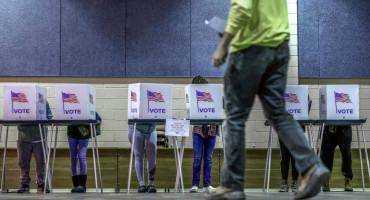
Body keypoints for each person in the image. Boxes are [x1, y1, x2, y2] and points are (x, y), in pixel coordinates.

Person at [208, 1, 330, 199]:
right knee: (278, 113)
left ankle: (232, 185)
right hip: (279, 47)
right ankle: (311, 166)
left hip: (250, 49)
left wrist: (223, 45)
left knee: (234, 117)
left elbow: (242, 8)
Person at [189, 75, 219, 193]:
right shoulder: (193, 97)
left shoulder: (212, 95)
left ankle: (207, 184)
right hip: (198, 130)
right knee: (197, 158)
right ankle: (195, 184)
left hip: (211, 129)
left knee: (208, 159)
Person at [17, 101, 52, 194]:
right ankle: (24, 185)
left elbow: (49, 116)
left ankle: (41, 185)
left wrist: (41, 122)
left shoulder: (43, 102)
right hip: (24, 137)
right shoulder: (21, 102)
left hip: (40, 137)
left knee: (41, 163)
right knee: (23, 162)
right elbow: (15, 115)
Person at [279, 97, 312, 192]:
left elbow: (308, 104)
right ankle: (284, 182)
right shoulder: (280, 96)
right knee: (285, 158)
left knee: (295, 159)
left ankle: (294, 182)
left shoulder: (304, 97)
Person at [67, 112, 102, 193]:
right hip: (72, 132)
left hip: (83, 133)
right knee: (73, 157)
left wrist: (98, 121)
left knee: (81, 156)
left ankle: (82, 185)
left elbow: (98, 117)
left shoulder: (85, 106)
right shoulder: (71, 106)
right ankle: (76, 185)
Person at [321, 125, 353, 192]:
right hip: (328, 127)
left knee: (346, 155)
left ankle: (348, 180)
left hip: (344, 127)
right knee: (326, 155)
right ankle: (325, 181)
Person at [128, 124, 157, 193]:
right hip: (136, 127)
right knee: (138, 155)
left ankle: (151, 184)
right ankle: (141, 184)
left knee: (152, 156)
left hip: (151, 128)